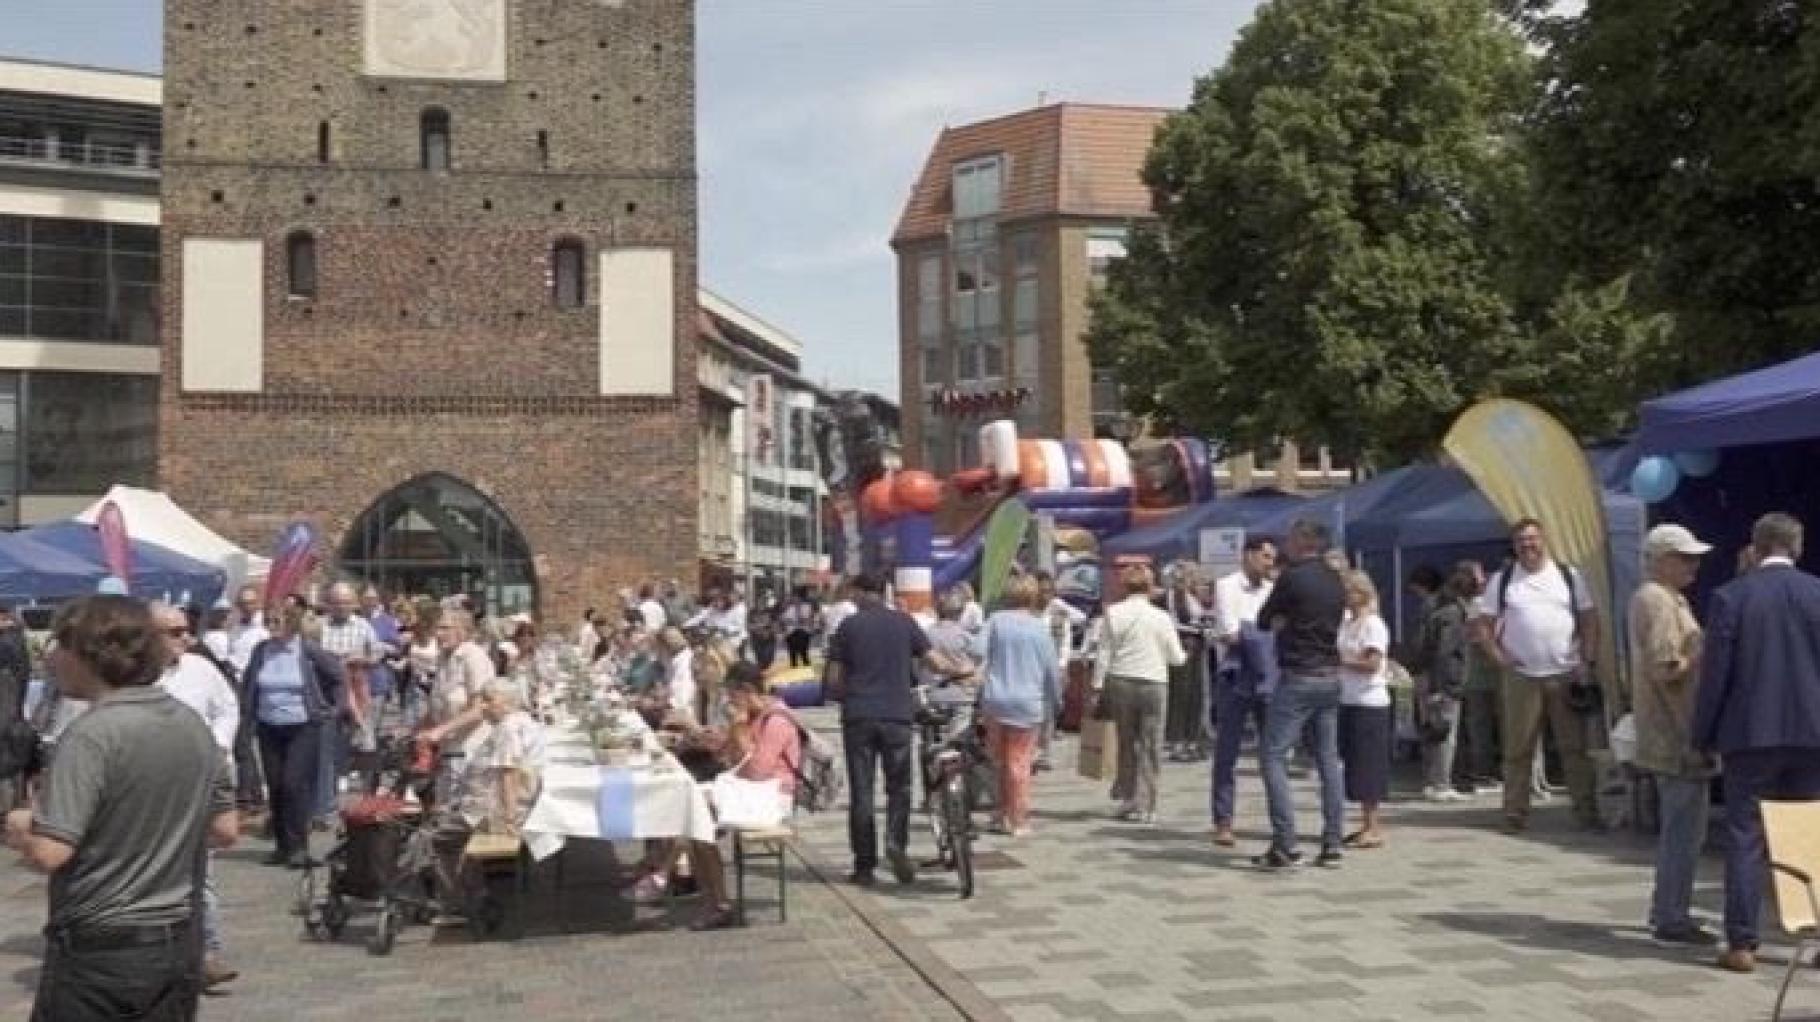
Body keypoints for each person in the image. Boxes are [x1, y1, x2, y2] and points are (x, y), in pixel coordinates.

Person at [4, 595, 239, 1021]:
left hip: (101, 947)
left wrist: (20, 825)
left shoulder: (92, 735)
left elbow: (50, 852)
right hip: (176, 943)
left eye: (60, 645)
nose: (51, 658)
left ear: (90, 654)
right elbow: (224, 829)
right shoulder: (192, 725)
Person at [1693, 513, 1820, 974]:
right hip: (1812, 733)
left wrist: (1703, 733)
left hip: (1751, 734)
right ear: (1797, 548)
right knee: (1809, 834)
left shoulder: (1731, 598)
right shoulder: (1816, 594)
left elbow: (1716, 676)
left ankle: (1742, 942)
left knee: (1746, 836)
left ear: (1756, 546)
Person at [1472, 518, 1602, 833]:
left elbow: (1589, 620)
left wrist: (1587, 659)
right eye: (1521, 541)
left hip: (1565, 673)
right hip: (1521, 676)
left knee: (1574, 747)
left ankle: (1586, 812)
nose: (1527, 546)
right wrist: (1499, 658)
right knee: (1518, 748)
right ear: (1514, 546)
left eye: (1532, 539)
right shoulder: (1502, 581)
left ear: (1545, 540)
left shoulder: (1568, 577)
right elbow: (1483, 625)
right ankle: (1514, 813)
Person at [1627, 523, 1718, 948]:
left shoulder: (1666, 598)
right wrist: (1702, 650)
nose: (1694, 564)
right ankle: (1671, 916)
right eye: (1685, 557)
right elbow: (1666, 668)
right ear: (1661, 560)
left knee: (1685, 828)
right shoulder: (1657, 601)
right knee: (1684, 831)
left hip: (1670, 730)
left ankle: (1669, 910)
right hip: (1674, 732)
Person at [150, 602, 241, 992]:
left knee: (199, 870)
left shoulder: (200, 669)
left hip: (198, 782)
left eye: (187, 629)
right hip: (148, 788)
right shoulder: (132, 679)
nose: (186, 638)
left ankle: (206, 953)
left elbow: (228, 708)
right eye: (174, 632)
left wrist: (217, 745)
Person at [825, 570, 937, 887]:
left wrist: (846, 694)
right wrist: (962, 671)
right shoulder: (904, 622)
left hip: (859, 715)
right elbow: (932, 660)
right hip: (898, 714)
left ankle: (864, 866)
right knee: (899, 786)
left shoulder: (848, 626)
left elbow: (834, 678)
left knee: (862, 792)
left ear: (860, 593)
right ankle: (896, 844)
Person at [1253, 519, 1348, 869]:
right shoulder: (1335, 578)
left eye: (1290, 538)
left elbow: (1265, 619)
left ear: (1303, 541)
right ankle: (1333, 841)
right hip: (1330, 674)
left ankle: (1285, 843)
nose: (1285, 545)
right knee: (1328, 759)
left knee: (1273, 756)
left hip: (1299, 675)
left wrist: (1283, 621)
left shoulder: (1293, 577)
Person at [423, 679, 545, 914]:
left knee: (430, 837)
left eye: (489, 700)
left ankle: (454, 903)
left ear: (509, 703)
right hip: (493, 803)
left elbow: (508, 774)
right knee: (440, 820)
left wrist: (509, 819)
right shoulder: (522, 722)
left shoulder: (508, 729)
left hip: (491, 810)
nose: (483, 706)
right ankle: (469, 890)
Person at [242, 603, 346, 869]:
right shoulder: (261, 651)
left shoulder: (307, 650)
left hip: (303, 725)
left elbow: (337, 675)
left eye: (277, 620)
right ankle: (282, 846)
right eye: (269, 620)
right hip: (268, 725)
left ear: (292, 623)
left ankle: (299, 847)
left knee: (293, 784)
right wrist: (246, 717)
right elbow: (250, 684)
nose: (271, 625)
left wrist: (334, 709)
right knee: (275, 786)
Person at [1095, 562, 1187, 825]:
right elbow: (1176, 657)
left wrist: (1097, 685)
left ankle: (1128, 797)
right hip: (1153, 682)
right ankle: (1147, 804)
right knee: (1151, 744)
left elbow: (1104, 653)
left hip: (1121, 679)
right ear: (1150, 587)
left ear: (1124, 586)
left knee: (1127, 742)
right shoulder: (1161, 618)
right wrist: (1185, 655)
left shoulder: (1113, 613)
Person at [977, 575, 1059, 837]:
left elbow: (977, 650)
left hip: (996, 700)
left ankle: (1000, 812)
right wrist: (1055, 701)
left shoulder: (996, 622)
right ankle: (1019, 818)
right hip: (1028, 703)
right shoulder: (1039, 628)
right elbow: (1051, 671)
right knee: (1020, 763)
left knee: (998, 761)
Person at [1210, 537, 1277, 847]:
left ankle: (1279, 819)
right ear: (1248, 555)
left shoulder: (1272, 589)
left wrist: (1253, 635)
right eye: (1264, 557)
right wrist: (1262, 637)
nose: (1269, 563)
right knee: (1227, 752)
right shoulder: (1226, 586)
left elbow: (1272, 631)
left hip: (1267, 676)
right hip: (1235, 675)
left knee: (1272, 753)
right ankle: (1224, 821)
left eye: (1271, 558)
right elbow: (1228, 633)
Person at [1336, 572, 1393, 849]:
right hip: (1347, 698)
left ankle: (1374, 825)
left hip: (1370, 701)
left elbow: (1372, 663)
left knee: (1369, 765)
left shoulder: (1373, 624)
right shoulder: (1347, 623)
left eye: (1347, 591)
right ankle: (1363, 823)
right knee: (1355, 763)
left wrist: (1342, 660)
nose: (1344, 597)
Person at [1415, 563, 1478, 803]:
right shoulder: (1453, 614)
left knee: (1432, 731)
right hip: (1445, 680)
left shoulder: (1434, 608)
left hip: (1430, 676)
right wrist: (1445, 686)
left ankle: (1432, 782)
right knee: (1444, 732)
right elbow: (1445, 651)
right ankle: (1441, 783)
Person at [1451, 561, 1503, 796]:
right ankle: (1483, 772)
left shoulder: (1480, 604)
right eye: (1480, 577)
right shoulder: (1475, 605)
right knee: (1480, 724)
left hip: (1490, 672)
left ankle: (1486, 771)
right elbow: (1472, 636)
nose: (1483, 581)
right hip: (1479, 673)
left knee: (1484, 724)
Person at [1034, 571, 1085, 773]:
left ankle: (1044, 752)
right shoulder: (1028, 611)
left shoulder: (1059, 610)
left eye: (1049, 591)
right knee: (1034, 711)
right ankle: (1033, 749)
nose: (1045, 595)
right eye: (1042, 591)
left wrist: (1063, 666)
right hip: (1032, 666)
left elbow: (1066, 639)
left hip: (1053, 666)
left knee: (1049, 711)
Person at [1162, 563, 1210, 762]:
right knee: (1181, 695)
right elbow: (1176, 623)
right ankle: (1178, 741)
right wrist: (1198, 628)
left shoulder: (1190, 596)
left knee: (1194, 695)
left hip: (1194, 647)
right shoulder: (1176, 596)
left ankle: (1191, 740)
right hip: (1184, 647)